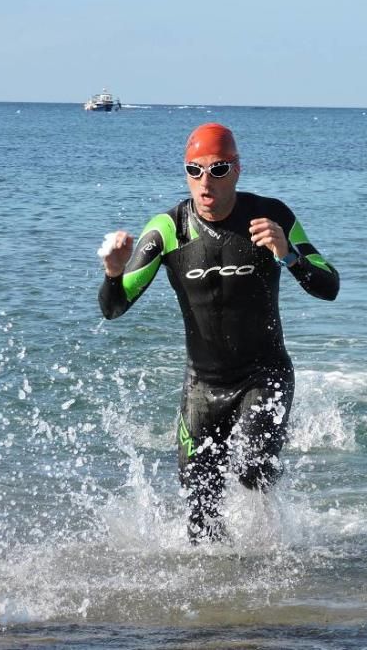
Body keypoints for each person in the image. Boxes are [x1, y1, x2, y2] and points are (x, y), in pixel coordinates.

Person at [98, 123, 340, 544]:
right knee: (200, 514)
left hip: (264, 377)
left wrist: (288, 255)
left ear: (238, 170)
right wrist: (113, 271)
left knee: (251, 468)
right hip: (203, 388)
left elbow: (329, 285)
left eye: (218, 169)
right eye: (195, 170)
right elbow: (114, 307)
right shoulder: (168, 228)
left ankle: (276, 566)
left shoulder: (272, 216)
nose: (205, 182)